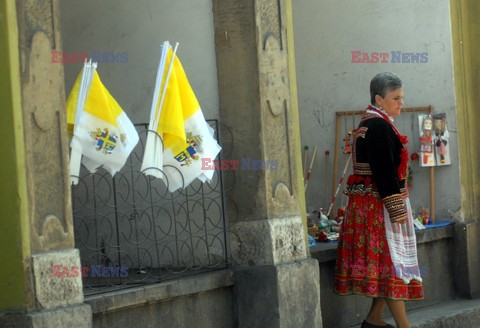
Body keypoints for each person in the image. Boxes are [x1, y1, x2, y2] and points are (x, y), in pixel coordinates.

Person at [333, 72, 424, 328]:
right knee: (392, 266)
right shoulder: (380, 127)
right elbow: (384, 172)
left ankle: (373, 320)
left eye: (402, 98)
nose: (400, 103)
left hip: (369, 204)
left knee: (388, 266)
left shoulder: (369, 123)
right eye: (396, 98)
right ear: (378, 99)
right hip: (379, 208)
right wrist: (397, 210)